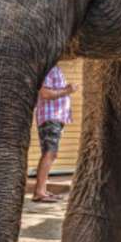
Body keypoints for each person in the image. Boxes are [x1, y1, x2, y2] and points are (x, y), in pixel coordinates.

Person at [31, 65, 75, 203]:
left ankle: (42, 190)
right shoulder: (49, 68)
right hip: (50, 118)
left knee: (51, 154)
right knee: (49, 153)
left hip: (55, 118)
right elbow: (45, 93)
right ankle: (39, 192)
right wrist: (68, 90)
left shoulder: (54, 68)